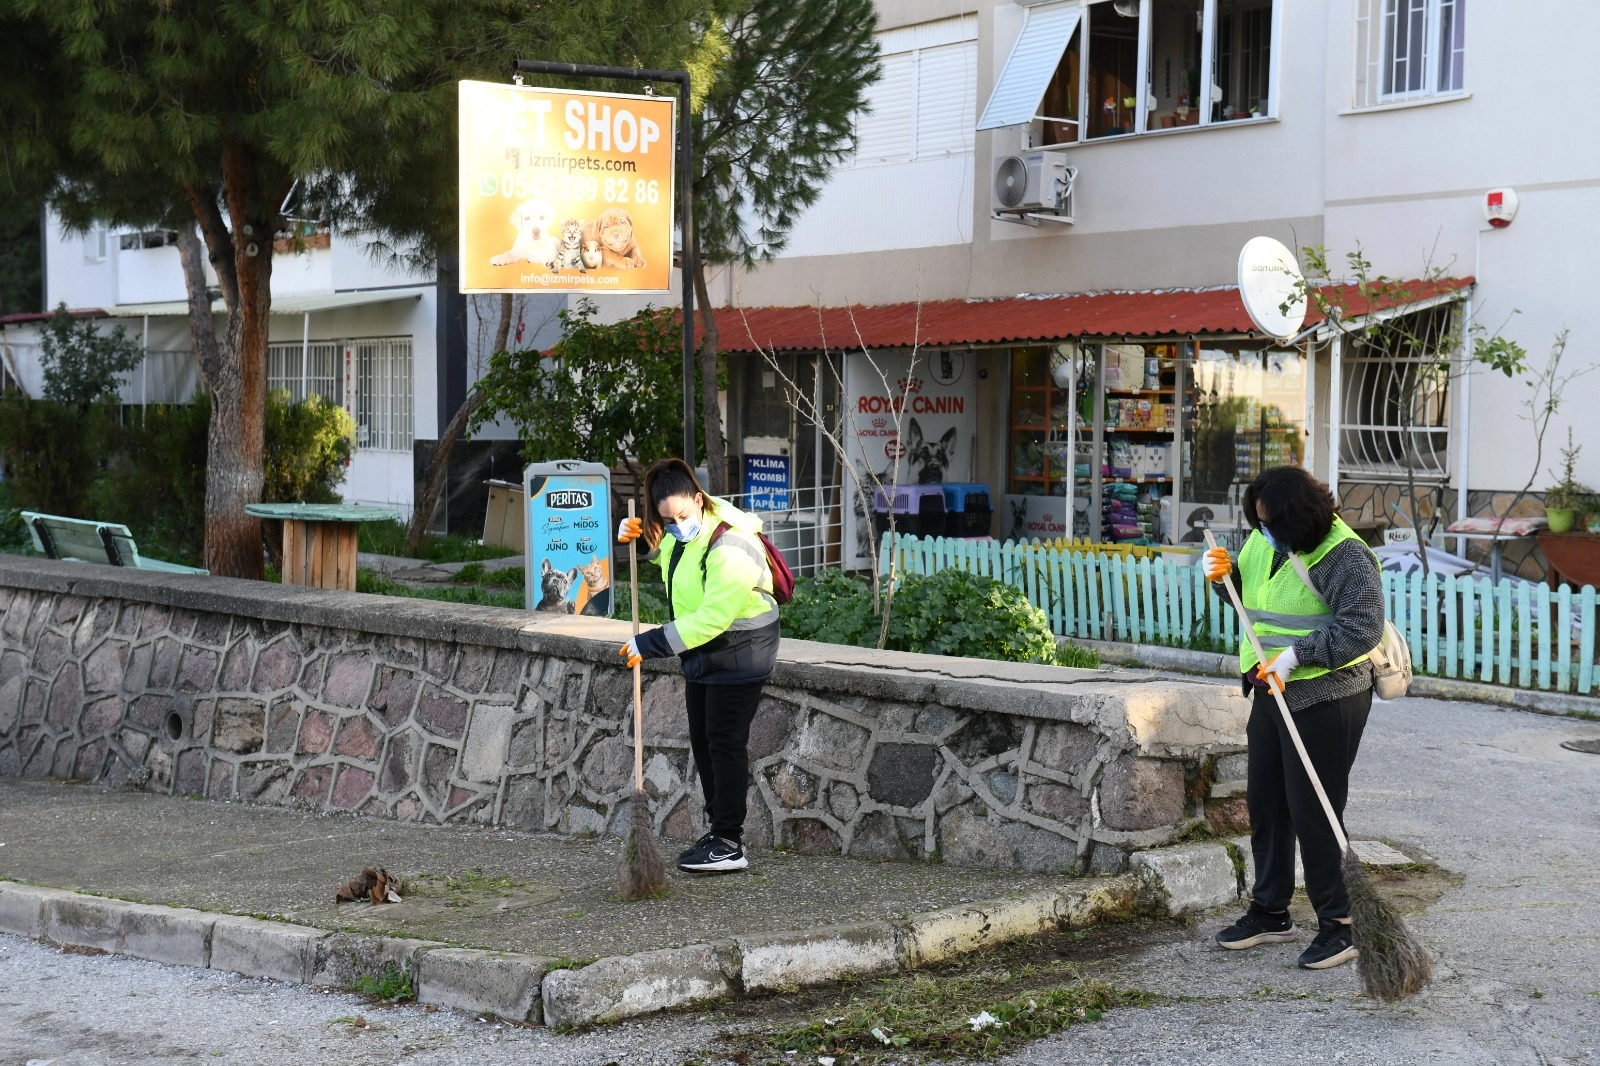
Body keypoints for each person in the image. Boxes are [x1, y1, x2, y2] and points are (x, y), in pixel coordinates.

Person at [1203, 465, 1385, 970]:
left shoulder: (1345, 555)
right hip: (1270, 689)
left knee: (1315, 809)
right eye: (1257, 522)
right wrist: (1223, 578)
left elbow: (1363, 628)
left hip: (1328, 694)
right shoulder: (1266, 541)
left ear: (1299, 517)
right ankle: (1271, 911)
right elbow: (1253, 602)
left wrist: (1297, 656)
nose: (1262, 532)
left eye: (1270, 523)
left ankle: (1340, 924)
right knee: (1267, 802)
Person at [616, 458, 780, 874]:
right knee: (705, 742)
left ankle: (729, 843)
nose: (677, 524)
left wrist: (649, 643)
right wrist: (638, 541)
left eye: (683, 514)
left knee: (724, 742)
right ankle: (719, 832)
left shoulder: (731, 542)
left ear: (698, 497)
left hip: (741, 648)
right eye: (667, 519)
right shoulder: (682, 534)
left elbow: (713, 618)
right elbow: (668, 556)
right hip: (704, 651)